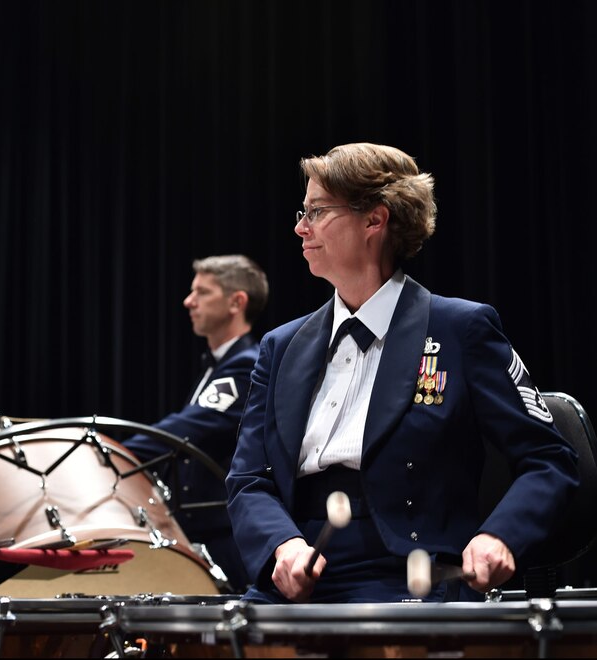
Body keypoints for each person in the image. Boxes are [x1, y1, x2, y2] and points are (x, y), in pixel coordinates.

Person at [226, 143, 579, 604]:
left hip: (405, 575)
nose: (300, 226)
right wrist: (281, 545)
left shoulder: (460, 329)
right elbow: (248, 478)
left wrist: (500, 535)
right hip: (298, 570)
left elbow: (548, 459)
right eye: (303, 211)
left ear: (374, 220)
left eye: (316, 211)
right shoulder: (281, 346)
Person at [123, 254, 269, 592]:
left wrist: (113, 453)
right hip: (208, 532)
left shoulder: (245, 365)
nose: (188, 301)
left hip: (226, 538)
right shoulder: (218, 365)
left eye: (202, 292)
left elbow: (186, 430)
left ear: (237, 302)